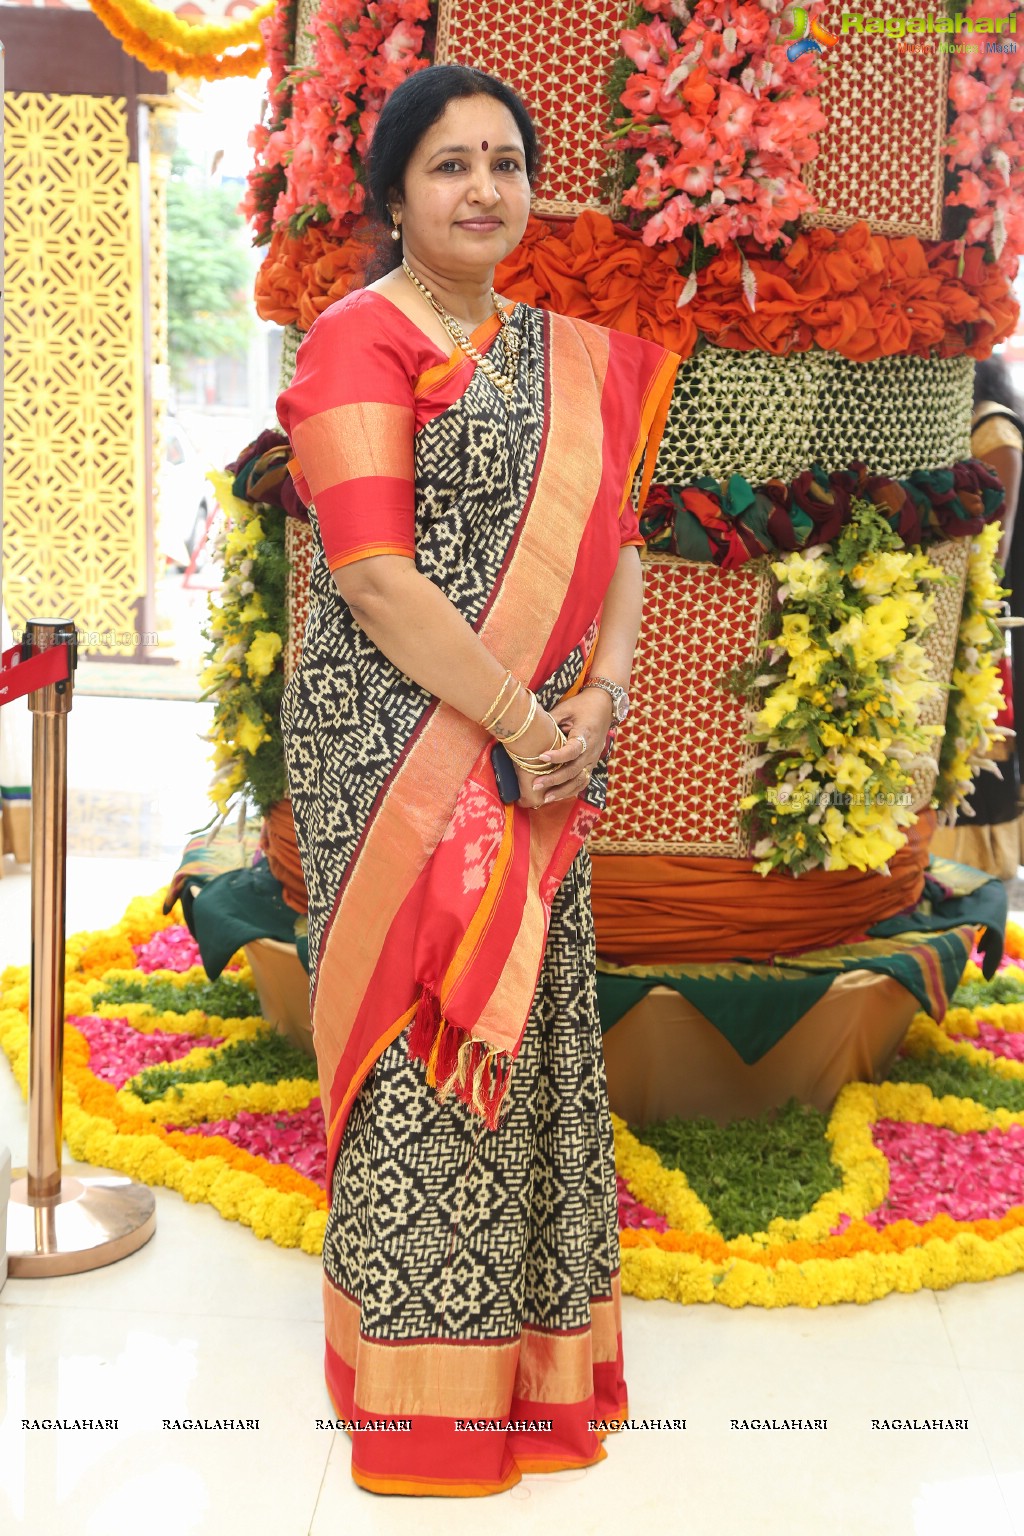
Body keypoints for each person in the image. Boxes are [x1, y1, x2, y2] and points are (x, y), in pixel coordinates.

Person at [276, 65, 680, 1498]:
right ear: (395, 194)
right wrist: (517, 716)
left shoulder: (557, 352)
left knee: (533, 1029)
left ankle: (530, 1365)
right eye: (451, 165)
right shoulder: (355, 344)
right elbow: (376, 580)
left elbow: (621, 541)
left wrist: (600, 701)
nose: (486, 190)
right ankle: (423, 1406)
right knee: (432, 1032)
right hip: (392, 743)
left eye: (505, 161)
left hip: (536, 742)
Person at [931, 356, 1024, 884]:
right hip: (951, 594)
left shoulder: (993, 426)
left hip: (980, 604)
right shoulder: (965, 419)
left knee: (976, 721)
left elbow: (997, 537)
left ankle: (979, 857)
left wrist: (971, 602)